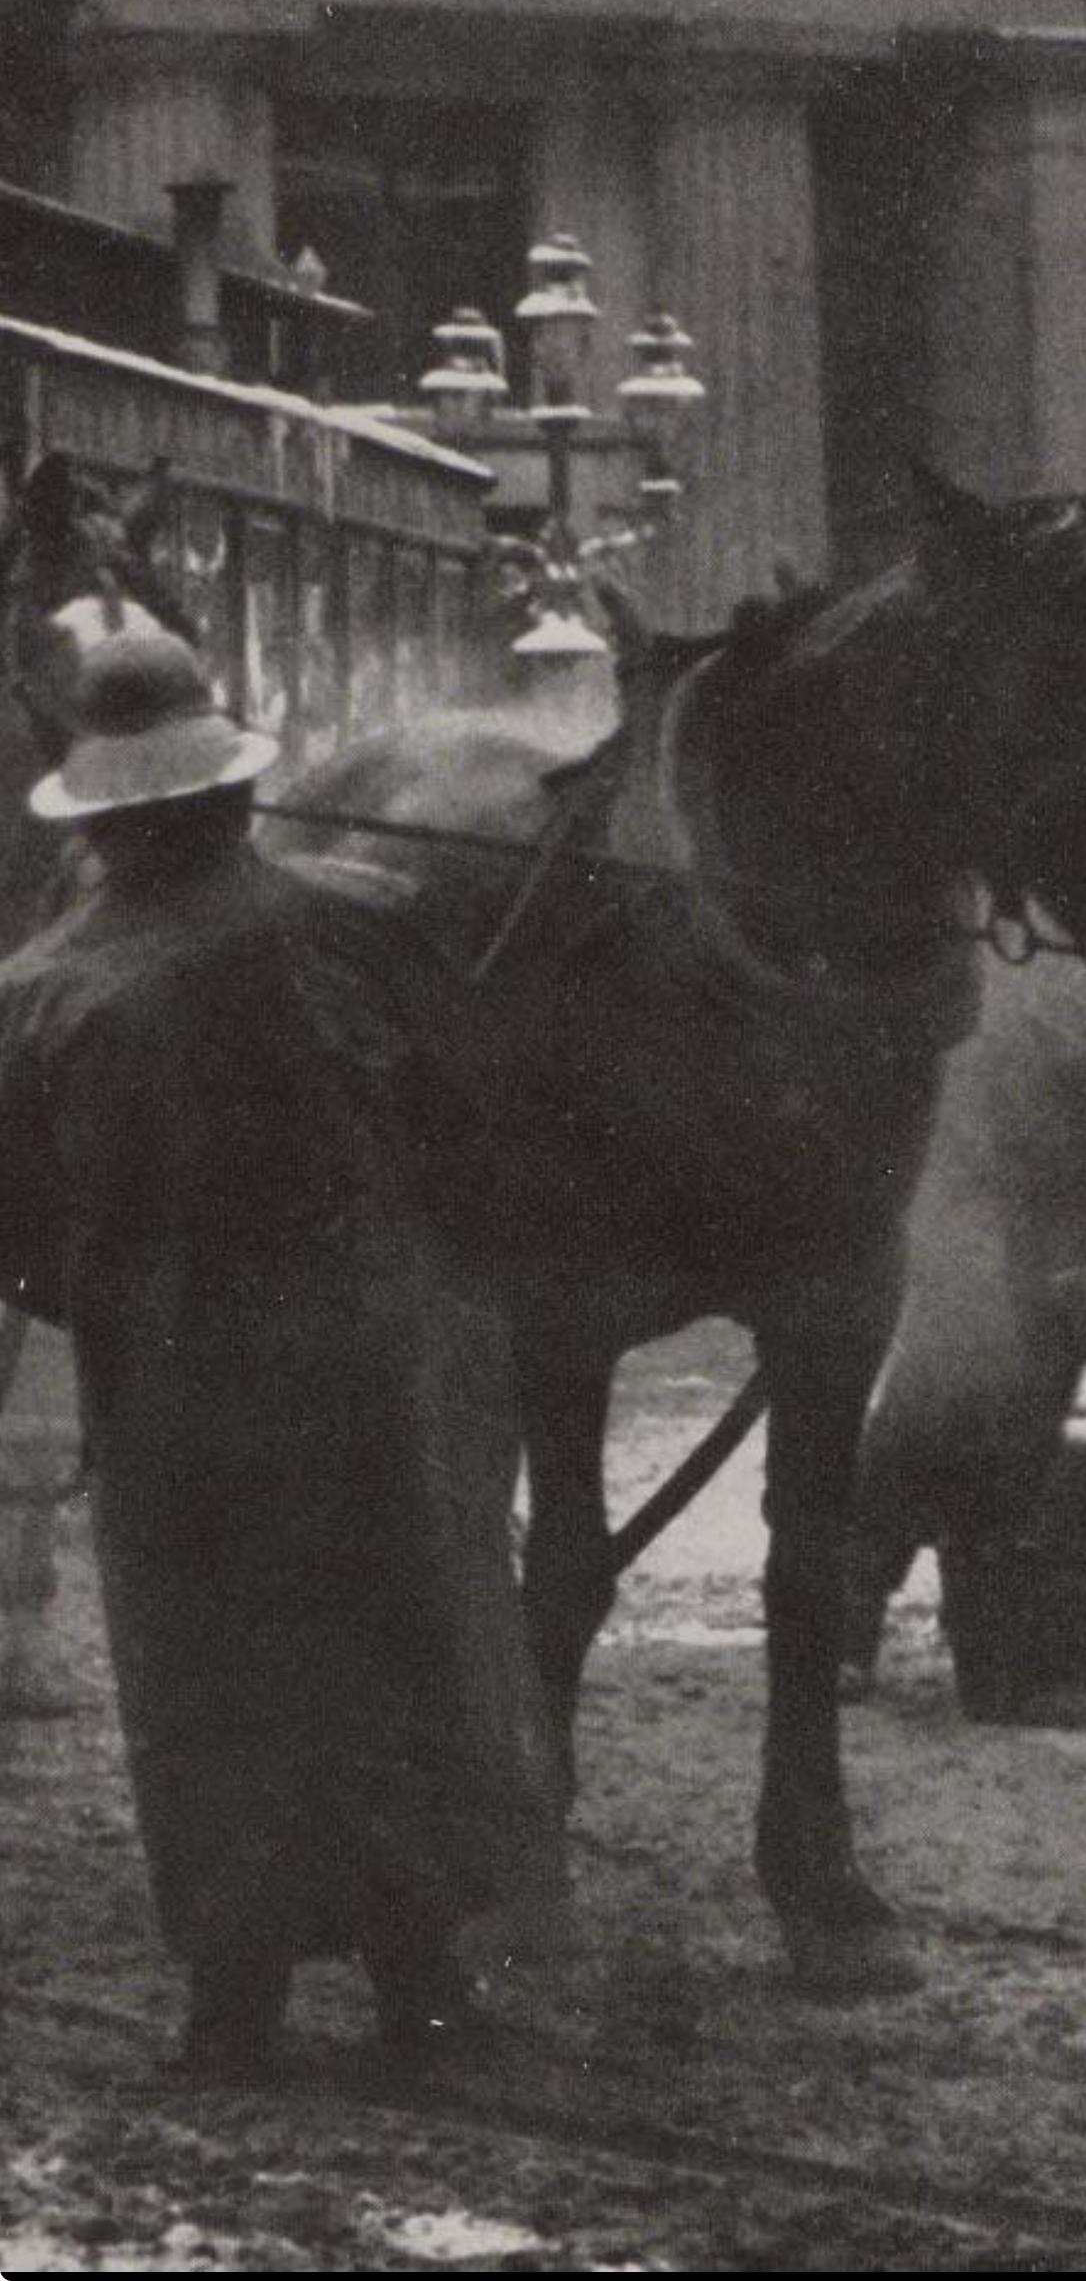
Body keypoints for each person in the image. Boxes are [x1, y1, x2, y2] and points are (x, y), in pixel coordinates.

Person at [0, 626, 565, 2077]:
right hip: (371, 1356)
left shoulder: (40, 988)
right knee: (397, 1649)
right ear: (227, 794)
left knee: (205, 1679)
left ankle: (234, 2000)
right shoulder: (362, 922)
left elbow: (20, 1233)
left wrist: (130, 1303)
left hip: (172, 1379)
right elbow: (474, 1136)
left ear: (106, 820)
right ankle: (419, 1982)